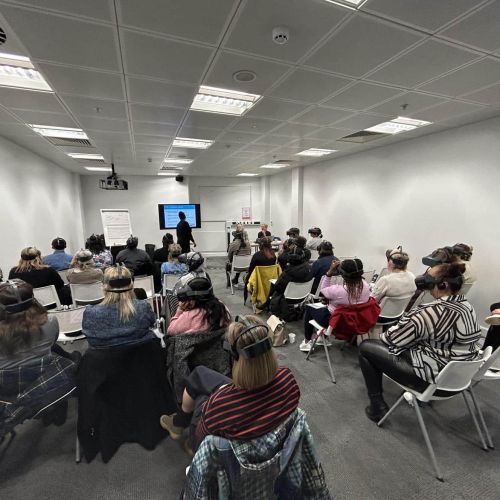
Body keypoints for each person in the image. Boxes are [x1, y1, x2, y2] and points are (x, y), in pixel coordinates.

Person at [358, 262, 481, 422]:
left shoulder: (428, 313)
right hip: (458, 380)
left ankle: (377, 407)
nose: (424, 278)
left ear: (443, 285)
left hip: (435, 383)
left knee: (366, 347)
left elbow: (390, 339)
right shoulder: (467, 307)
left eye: (429, 277)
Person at [159, 315, 300, 453]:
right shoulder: (288, 378)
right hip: (272, 436)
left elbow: (202, 441)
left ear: (234, 357)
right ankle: (179, 421)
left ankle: (184, 432)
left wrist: (221, 395)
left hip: (233, 455)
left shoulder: (220, 404)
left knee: (201, 398)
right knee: (199, 374)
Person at [0, 280, 77, 430]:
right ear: (33, 299)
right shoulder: (50, 321)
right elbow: (52, 342)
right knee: (62, 356)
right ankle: (55, 406)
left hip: (6, 386)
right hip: (43, 376)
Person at [300, 259, 370, 352]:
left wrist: (329, 273)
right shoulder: (366, 286)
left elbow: (323, 291)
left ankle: (306, 341)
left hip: (336, 323)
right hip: (355, 321)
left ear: (342, 274)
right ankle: (322, 338)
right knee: (328, 306)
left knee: (309, 308)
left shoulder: (338, 290)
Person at [82, 265, 157, 349]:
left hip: (105, 357)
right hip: (141, 355)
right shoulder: (143, 307)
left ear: (103, 287)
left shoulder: (91, 313)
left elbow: (89, 337)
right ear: (132, 286)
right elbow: (152, 322)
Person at [167, 277, 231, 335]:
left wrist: (180, 310)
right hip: (217, 343)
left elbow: (170, 331)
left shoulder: (190, 316)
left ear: (195, 299)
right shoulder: (222, 307)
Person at [268, 246, 310, 320]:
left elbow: (278, 287)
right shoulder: (309, 268)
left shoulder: (288, 272)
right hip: (303, 297)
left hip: (288, 299)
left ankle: (267, 305)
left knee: (274, 285)